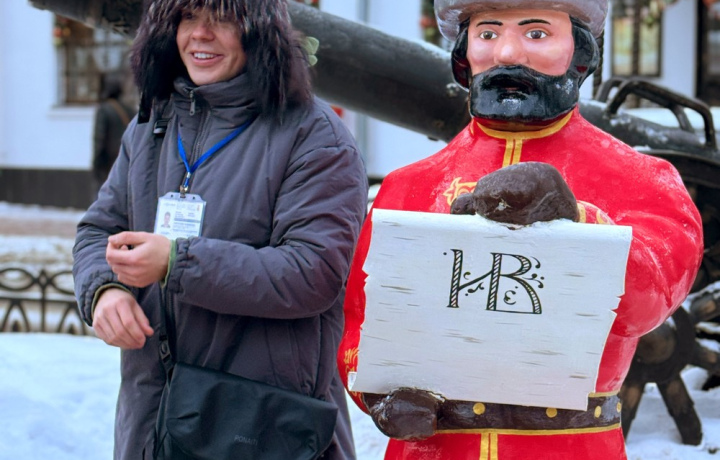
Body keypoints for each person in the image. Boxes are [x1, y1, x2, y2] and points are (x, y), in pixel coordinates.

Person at [338, 1, 703, 459]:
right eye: (487, 35)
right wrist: (378, 395)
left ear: (580, 54)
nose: (507, 53)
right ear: (463, 54)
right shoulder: (408, 186)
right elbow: (360, 325)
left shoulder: (642, 181)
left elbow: (651, 300)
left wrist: (577, 220)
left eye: (536, 34)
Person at [73, 0, 368, 458]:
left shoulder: (314, 136)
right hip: (151, 422)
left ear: (260, 33)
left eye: (223, 18)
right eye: (188, 17)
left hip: (259, 428)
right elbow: (98, 230)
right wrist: (105, 290)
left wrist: (177, 262)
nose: (200, 34)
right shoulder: (151, 125)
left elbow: (313, 273)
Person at [92, 71, 137, 195]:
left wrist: (97, 165)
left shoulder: (103, 110)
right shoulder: (130, 110)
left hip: (108, 163)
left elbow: (99, 139)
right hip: (128, 159)